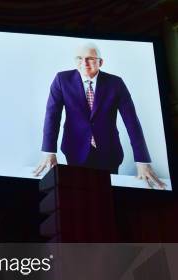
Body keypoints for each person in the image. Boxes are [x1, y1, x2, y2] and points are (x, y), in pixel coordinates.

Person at [33, 43, 166, 189]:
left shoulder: (116, 83)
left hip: (109, 152)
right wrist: (49, 151)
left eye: (90, 58)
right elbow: (52, 115)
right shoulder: (62, 80)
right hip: (75, 149)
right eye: (79, 58)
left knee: (107, 194)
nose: (84, 63)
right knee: (79, 192)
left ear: (100, 62)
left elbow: (132, 121)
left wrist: (142, 160)